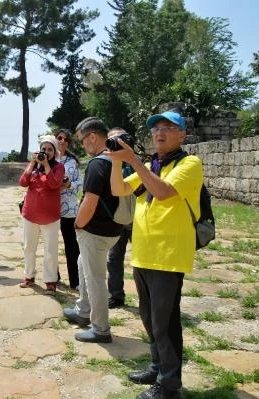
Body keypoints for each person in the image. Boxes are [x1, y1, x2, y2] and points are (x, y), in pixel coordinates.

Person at [107, 111, 202, 399]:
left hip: (169, 255)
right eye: (156, 128)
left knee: (166, 322)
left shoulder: (190, 163)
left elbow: (162, 192)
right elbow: (119, 188)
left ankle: (170, 386)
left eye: (169, 128)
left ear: (183, 134)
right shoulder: (153, 165)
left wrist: (133, 161)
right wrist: (115, 162)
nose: (159, 132)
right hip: (144, 253)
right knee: (149, 318)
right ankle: (157, 367)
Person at [63, 117, 122, 344]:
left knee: (95, 277)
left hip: (95, 230)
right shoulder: (116, 160)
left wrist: (78, 224)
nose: (82, 145)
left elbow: (89, 201)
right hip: (112, 228)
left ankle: (100, 329)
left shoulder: (98, 163)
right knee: (82, 265)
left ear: (93, 137)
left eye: (82, 140)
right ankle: (83, 310)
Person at [18, 135, 65, 292]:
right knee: (28, 247)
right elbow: (23, 182)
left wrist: (46, 166)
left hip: (50, 216)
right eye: (43, 149)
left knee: (50, 250)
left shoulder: (59, 167)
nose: (46, 152)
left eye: (50, 149)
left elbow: (53, 184)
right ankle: (29, 275)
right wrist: (32, 163)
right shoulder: (34, 167)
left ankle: (50, 280)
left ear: (55, 152)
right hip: (30, 214)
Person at [106, 127, 135, 308]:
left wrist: (130, 157)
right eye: (112, 140)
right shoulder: (105, 162)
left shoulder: (136, 161)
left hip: (138, 217)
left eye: (119, 139)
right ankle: (116, 295)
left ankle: (148, 297)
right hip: (117, 217)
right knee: (114, 258)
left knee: (142, 261)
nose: (116, 143)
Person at [55, 128, 82, 289]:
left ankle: (76, 281)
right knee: (51, 245)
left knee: (72, 246)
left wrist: (69, 184)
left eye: (66, 139)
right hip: (50, 207)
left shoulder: (73, 162)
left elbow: (81, 184)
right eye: (59, 137)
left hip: (70, 208)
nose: (62, 141)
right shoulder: (47, 159)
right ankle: (53, 277)